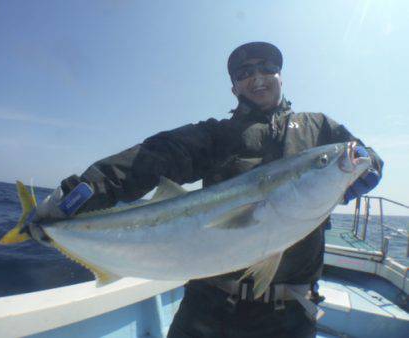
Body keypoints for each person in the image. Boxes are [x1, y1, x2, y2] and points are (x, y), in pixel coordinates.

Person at [36, 42, 383, 337]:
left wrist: (362, 169)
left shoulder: (319, 128)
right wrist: (76, 194)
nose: (257, 76)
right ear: (234, 87)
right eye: (244, 72)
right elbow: (150, 157)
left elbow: (366, 157)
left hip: (290, 315)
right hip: (208, 308)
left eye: (267, 66)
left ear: (281, 75)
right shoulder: (216, 135)